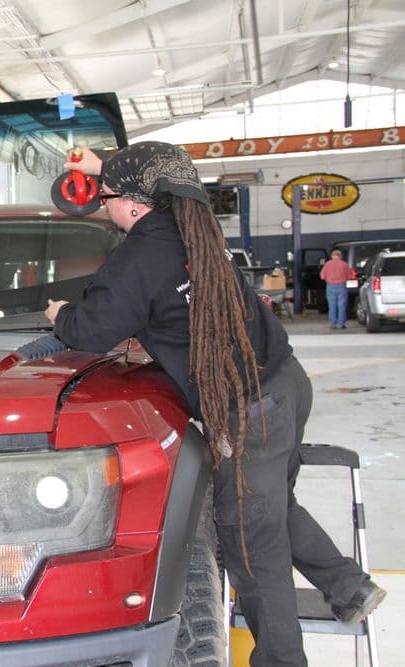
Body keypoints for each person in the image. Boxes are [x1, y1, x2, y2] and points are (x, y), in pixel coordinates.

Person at [44, 142, 385, 667]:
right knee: (271, 510)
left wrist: (60, 313)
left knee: (252, 546)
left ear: (134, 204)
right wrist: (100, 166)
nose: (104, 207)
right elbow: (169, 168)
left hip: (250, 413)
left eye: (106, 197)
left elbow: (92, 329)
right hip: (286, 383)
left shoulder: (138, 255)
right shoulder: (194, 227)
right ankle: (348, 586)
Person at [319, 248, 355, 329]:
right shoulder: (344, 264)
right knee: (342, 305)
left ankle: (333, 324)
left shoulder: (327, 264)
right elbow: (349, 276)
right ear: (340, 256)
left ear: (332, 256)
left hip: (330, 286)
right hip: (342, 286)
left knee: (332, 306)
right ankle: (341, 324)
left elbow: (322, 276)